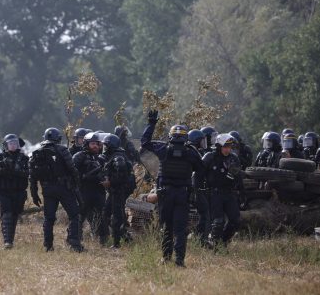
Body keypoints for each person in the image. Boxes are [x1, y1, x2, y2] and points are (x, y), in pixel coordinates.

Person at [142, 110, 204, 267]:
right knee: (180, 229)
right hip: (182, 194)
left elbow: (145, 142)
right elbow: (201, 170)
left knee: (167, 227)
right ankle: (179, 261)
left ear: (171, 136)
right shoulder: (191, 153)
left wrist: (151, 124)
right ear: (185, 136)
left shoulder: (163, 149)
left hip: (165, 194)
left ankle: (165, 258)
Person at [29, 128, 83, 252]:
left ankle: (48, 246)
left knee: (49, 218)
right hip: (64, 189)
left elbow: (32, 176)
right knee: (74, 215)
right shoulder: (63, 150)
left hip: (47, 190)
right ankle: (74, 244)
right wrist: (76, 185)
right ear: (58, 138)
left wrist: (34, 194)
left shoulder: (37, 153)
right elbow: (72, 169)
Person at [202, 133, 243, 249]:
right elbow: (199, 174)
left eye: (230, 147)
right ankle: (214, 245)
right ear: (219, 146)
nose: (228, 149)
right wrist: (198, 191)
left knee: (236, 221)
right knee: (218, 222)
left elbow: (239, 177)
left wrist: (242, 193)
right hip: (214, 193)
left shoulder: (234, 158)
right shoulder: (210, 157)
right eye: (225, 147)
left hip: (229, 193)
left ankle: (223, 243)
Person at [0, 134, 29, 249]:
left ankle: (10, 240)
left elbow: (29, 172)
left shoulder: (24, 158)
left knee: (15, 215)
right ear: (6, 145)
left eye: (15, 143)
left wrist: (17, 171)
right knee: (7, 214)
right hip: (4, 191)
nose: (13, 145)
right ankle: (7, 242)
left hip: (19, 192)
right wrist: (2, 170)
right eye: (11, 143)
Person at [100, 134, 135, 249]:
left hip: (119, 191)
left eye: (106, 146)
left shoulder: (118, 157)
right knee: (106, 213)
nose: (104, 148)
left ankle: (117, 243)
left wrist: (110, 183)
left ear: (111, 146)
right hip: (115, 191)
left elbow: (122, 176)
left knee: (117, 217)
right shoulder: (115, 155)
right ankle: (121, 237)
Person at [73, 132, 107, 244]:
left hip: (98, 191)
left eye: (97, 144)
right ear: (86, 144)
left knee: (101, 216)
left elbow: (106, 174)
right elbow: (73, 173)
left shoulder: (101, 158)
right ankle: (75, 239)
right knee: (79, 216)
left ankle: (102, 239)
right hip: (84, 191)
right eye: (93, 143)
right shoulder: (79, 157)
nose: (95, 146)